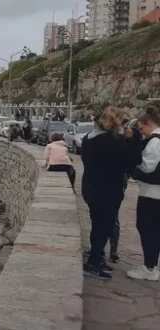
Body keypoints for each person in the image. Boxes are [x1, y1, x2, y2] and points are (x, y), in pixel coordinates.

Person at [81, 107, 141, 280]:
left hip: (92, 187)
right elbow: (132, 160)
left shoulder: (89, 138)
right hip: (106, 190)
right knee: (104, 226)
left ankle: (97, 258)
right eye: (122, 122)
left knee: (98, 224)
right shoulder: (108, 142)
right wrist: (133, 139)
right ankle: (93, 263)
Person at [126, 109, 160, 281]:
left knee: (147, 229)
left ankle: (150, 268)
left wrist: (131, 170)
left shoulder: (155, 142)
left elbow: (147, 166)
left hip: (152, 194)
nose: (141, 132)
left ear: (150, 124)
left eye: (142, 128)